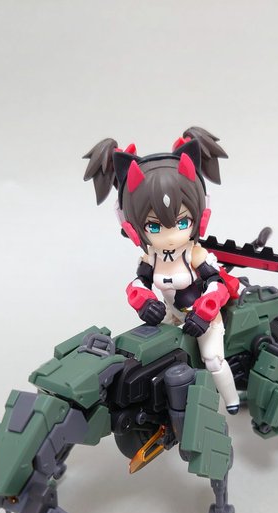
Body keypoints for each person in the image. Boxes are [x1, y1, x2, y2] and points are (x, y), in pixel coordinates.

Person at [83, 126, 240, 413]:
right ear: (132, 226)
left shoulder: (194, 254)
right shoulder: (151, 257)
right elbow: (137, 285)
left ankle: (231, 400)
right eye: (154, 227)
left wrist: (204, 314)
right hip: (170, 314)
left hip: (203, 317)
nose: (170, 235)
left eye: (182, 223)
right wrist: (145, 304)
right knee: (150, 354)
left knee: (213, 360)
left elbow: (217, 286)